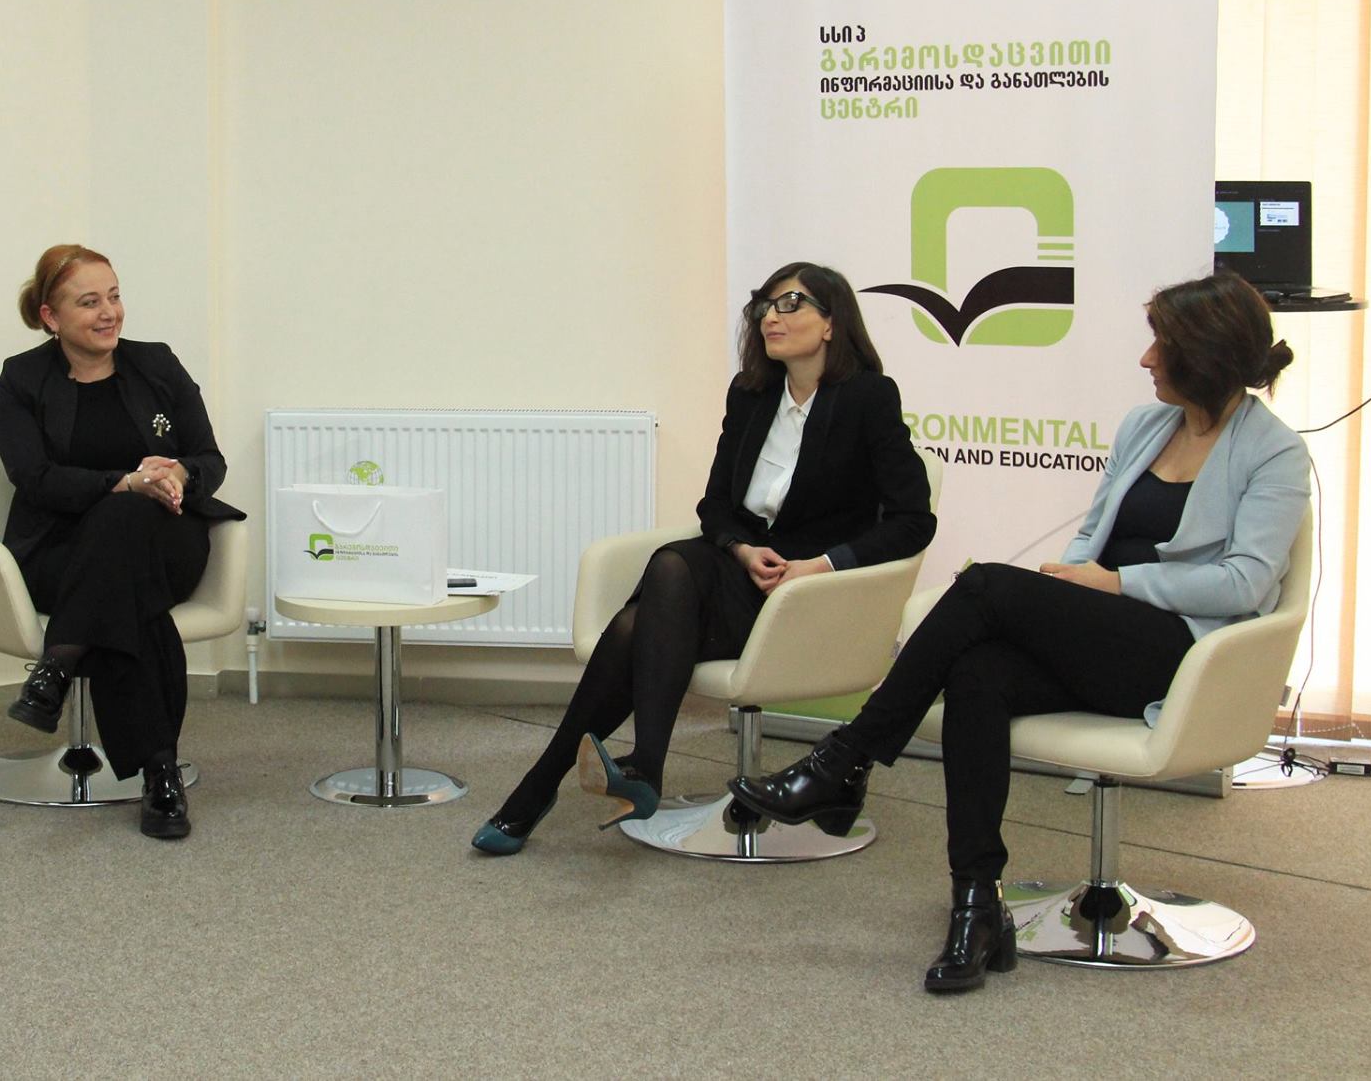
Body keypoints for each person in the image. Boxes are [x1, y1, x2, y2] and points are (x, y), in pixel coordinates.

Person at [729, 270, 1308, 993]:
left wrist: (1115, 584)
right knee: (979, 675)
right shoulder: (1145, 426)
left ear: (1206, 354)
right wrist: (1068, 586)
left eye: (1161, 344)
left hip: (1183, 654)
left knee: (985, 585)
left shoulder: (1274, 451)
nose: (1146, 358)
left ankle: (847, 759)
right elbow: (1093, 535)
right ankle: (976, 903)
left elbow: (1246, 582)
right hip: (1101, 633)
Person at [471, 262, 936, 853]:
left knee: (639, 620)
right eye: (764, 306)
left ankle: (548, 785)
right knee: (670, 567)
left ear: (831, 322)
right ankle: (637, 767)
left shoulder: (868, 398)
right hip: (742, 575)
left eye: (790, 304)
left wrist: (819, 565)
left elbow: (913, 521)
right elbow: (715, 506)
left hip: (810, 598)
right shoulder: (751, 395)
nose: (771, 317)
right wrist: (742, 549)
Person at [0, 244, 244, 840]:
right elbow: (33, 478)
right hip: (61, 552)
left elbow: (209, 458)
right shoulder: (22, 379)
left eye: (114, 296)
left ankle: (58, 664)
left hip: (168, 543)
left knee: (126, 527)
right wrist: (125, 482)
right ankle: (160, 774)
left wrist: (177, 473)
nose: (109, 312)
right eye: (89, 302)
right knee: (131, 587)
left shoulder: (157, 364)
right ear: (51, 317)